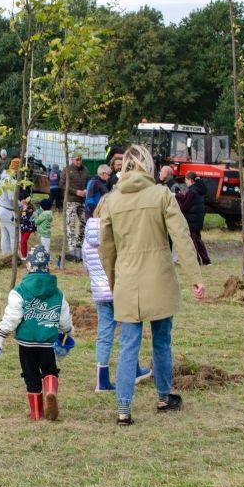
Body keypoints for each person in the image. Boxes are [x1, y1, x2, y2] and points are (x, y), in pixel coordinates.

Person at [98, 145, 205, 424]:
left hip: (127, 281)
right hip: (159, 278)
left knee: (128, 345)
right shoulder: (162, 195)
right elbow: (182, 237)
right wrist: (196, 278)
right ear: (149, 165)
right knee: (162, 339)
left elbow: (105, 249)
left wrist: (113, 280)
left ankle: (123, 408)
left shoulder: (111, 200)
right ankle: (164, 395)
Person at [0, 245, 73, 421]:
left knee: (31, 375)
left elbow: (12, 317)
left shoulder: (19, 291)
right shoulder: (57, 292)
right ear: (47, 265)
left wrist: (0, 337)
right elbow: (64, 317)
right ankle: (51, 391)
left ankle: (37, 413)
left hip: (27, 343)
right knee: (49, 369)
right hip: (47, 343)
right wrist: (67, 331)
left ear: (28, 265)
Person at [82, 210, 151, 392]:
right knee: (129, 331)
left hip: (100, 292)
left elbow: (86, 265)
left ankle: (102, 380)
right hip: (119, 289)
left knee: (104, 334)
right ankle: (133, 371)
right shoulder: (115, 231)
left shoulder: (87, 235)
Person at [179, 171, 211, 265]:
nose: (185, 182)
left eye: (186, 180)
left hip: (191, 220)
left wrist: (177, 197)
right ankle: (206, 260)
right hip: (198, 219)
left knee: (193, 241)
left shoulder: (192, 191)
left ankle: (196, 261)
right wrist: (180, 195)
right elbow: (188, 200)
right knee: (198, 240)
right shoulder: (199, 189)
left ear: (190, 180)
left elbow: (185, 206)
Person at [62, 154, 89, 261]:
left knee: (85, 222)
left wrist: (87, 190)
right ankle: (72, 249)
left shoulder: (85, 170)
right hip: (71, 201)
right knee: (71, 225)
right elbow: (62, 184)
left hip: (82, 201)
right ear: (72, 160)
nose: (79, 161)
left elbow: (89, 181)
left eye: (80, 159)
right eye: (77, 159)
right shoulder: (67, 170)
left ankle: (80, 245)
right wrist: (76, 191)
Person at [0, 160, 18, 256]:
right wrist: (20, 204)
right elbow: (12, 198)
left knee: (4, 235)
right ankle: (14, 257)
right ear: (17, 170)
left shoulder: (3, 177)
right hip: (8, 210)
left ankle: (5, 255)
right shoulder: (10, 179)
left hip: (0, 208)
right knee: (13, 236)